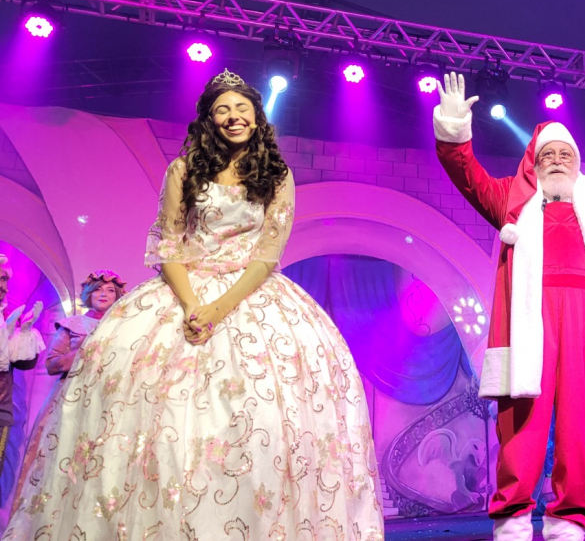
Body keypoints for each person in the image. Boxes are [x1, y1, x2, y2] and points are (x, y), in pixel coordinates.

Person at [3, 70, 384, 540]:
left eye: (241, 108)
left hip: (252, 295)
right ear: (208, 119)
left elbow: (268, 253)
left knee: (259, 417)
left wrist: (220, 307)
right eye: (222, 109)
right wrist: (189, 306)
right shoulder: (184, 169)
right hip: (181, 294)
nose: (233, 116)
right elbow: (169, 246)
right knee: (154, 414)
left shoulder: (275, 175)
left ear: (256, 116)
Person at [434, 64, 585, 541]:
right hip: (529, 319)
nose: (559, 160)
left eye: (567, 154)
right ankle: (514, 518)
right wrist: (455, 130)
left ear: (578, 162)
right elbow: (465, 174)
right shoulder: (511, 199)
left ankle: (568, 518)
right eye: (550, 155)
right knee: (522, 419)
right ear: (536, 163)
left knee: (579, 423)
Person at [11, 271, 127, 508]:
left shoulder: (126, 328)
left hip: (108, 399)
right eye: (98, 289)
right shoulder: (73, 324)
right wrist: (86, 351)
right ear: (88, 294)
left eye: (110, 291)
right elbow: (52, 364)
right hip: (70, 399)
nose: (104, 294)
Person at [0, 255, 43, 520]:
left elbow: (23, 364)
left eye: (4, 279)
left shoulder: (7, 318)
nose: (3, 285)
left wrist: (23, 332)